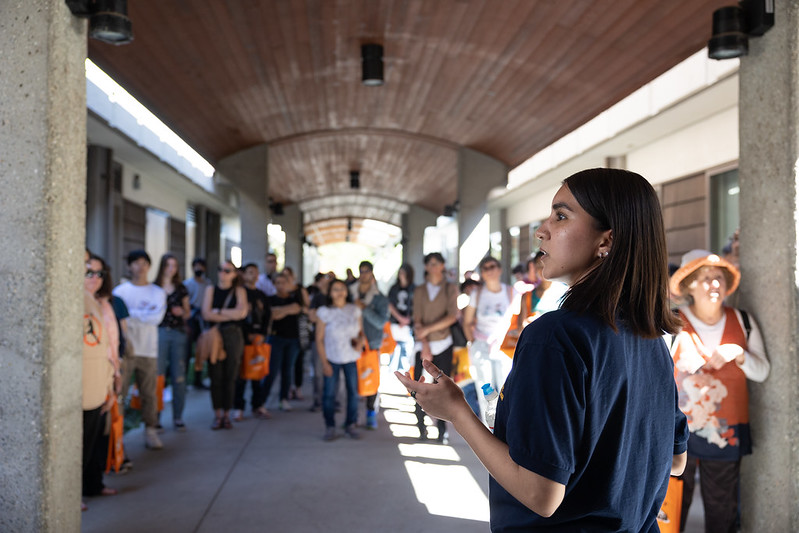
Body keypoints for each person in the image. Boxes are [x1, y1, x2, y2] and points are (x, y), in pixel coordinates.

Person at [397, 168, 689, 531]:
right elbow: (676, 460)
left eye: (561, 216)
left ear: (606, 241)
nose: (542, 230)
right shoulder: (649, 338)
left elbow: (541, 495)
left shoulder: (555, 336)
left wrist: (457, 411)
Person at [669, 249, 769, 533]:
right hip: (677, 434)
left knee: (721, 512)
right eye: (705, 278)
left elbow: (763, 372)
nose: (714, 284)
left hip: (725, 435)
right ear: (689, 286)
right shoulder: (672, 321)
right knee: (669, 508)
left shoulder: (743, 321)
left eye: (718, 277)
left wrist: (739, 354)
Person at [113, 250, 167, 450]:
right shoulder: (120, 292)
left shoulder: (158, 292)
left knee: (149, 393)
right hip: (126, 349)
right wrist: (143, 313)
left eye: (144, 263)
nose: (140, 267)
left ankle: (150, 430)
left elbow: (156, 319)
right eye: (135, 262)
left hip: (148, 349)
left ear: (149, 266)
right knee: (121, 392)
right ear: (129, 266)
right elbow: (118, 319)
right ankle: (117, 436)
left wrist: (130, 314)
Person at [410, 252, 459, 443]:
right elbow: (417, 319)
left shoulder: (450, 288)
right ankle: (421, 426)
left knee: (443, 388)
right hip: (422, 346)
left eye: (437, 263)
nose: (434, 267)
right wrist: (424, 344)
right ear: (426, 267)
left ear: (442, 266)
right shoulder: (420, 290)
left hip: (444, 343)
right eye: (430, 264)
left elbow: (452, 316)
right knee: (418, 387)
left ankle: (441, 429)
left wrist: (427, 330)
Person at [82, 253, 117, 509]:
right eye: (88, 272)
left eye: (98, 274)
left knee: (98, 437)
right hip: (84, 381)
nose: (94, 278)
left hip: (104, 375)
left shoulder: (103, 304)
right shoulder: (77, 302)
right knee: (81, 440)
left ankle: (94, 484)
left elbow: (112, 343)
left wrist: (114, 377)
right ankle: (75, 490)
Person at [463, 256, 519, 402]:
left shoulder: (511, 292)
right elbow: (467, 321)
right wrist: (474, 342)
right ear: (481, 273)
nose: (489, 271)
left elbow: (517, 322)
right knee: (486, 392)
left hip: (504, 346)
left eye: (492, 266)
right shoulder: (477, 293)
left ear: (499, 269)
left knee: (505, 390)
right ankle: (488, 425)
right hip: (482, 344)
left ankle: (505, 424)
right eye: (485, 268)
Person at [316, 279, 365, 441]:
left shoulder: (354, 310)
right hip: (331, 358)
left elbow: (361, 333)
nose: (339, 292)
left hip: (351, 357)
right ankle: (330, 426)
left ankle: (350, 424)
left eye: (342, 289)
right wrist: (324, 362)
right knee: (329, 394)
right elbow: (319, 339)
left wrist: (360, 343)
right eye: (335, 289)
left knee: (353, 392)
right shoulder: (324, 312)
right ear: (330, 293)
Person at [201, 260, 248, 430]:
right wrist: (231, 314)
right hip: (214, 336)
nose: (223, 273)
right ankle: (218, 414)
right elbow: (206, 314)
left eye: (228, 270)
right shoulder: (210, 290)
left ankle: (227, 414)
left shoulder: (239, 291)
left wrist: (219, 312)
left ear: (234, 273)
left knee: (231, 375)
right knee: (216, 376)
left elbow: (241, 313)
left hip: (233, 335)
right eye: (220, 269)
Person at [350, 261, 389, 429]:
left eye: (367, 271)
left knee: (370, 378)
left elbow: (381, 322)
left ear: (372, 274)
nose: (364, 274)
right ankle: (352, 416)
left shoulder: (379, 297)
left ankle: (370, 413)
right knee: (352, 381)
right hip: (351, 342)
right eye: (361, 271)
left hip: (371, 343)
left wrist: (365, 308)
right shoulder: (350, 293)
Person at [154, 253, 190, 431]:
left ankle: (178, 417)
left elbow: (188, 312)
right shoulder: (154, 287)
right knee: (158, 375)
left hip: (177, 333)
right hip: (159, 333)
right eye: (168, 265)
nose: (171, 269)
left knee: (179, 375)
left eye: (174, 265)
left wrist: (181, 312)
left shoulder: (181, 288)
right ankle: (156, 418)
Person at [233, 263, 272, 420]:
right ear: (244, 275)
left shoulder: (262, 295)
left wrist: (262, 334)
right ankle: (239, 407)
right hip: (243, 338)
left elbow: (268, 317)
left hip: (259, 339)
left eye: (255, 273)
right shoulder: (239, 293)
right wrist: (246, 333)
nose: (253, 275)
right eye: (249, 272)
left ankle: (257, 404)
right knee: (241, 375)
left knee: (258, 372)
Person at [262, 271, 305, 411]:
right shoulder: (269, 299)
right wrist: (287, 310)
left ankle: (284, 398)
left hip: (293, 339)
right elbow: (273, 315)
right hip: (276, 339)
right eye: (278, 283)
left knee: (288, 370)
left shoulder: (295, 298)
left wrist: (281, 310)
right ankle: (261, 401)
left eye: (283, 282)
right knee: (271, 371)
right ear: (274, 284)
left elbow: (297, 309)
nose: (281, 286)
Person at [184, 257, 211, 389]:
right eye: (196, 266)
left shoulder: (208, 284)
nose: (198, 269)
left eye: (201, 266)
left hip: (203, 320)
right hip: (191, 319)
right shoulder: (187, 284)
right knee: (187, 350)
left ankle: (198, 379)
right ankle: (182, 380)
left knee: (201, 350)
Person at [387, 263, 415, 372]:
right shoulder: (394, 288)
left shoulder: (414, 288)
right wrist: (399, 318)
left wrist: (408, 319)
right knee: (392, 348)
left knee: (405, 350)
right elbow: (390, 304)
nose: (401, 275)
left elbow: (417, 306)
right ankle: (392, 370)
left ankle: (402, 370)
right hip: (395, 322)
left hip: (408, 324)